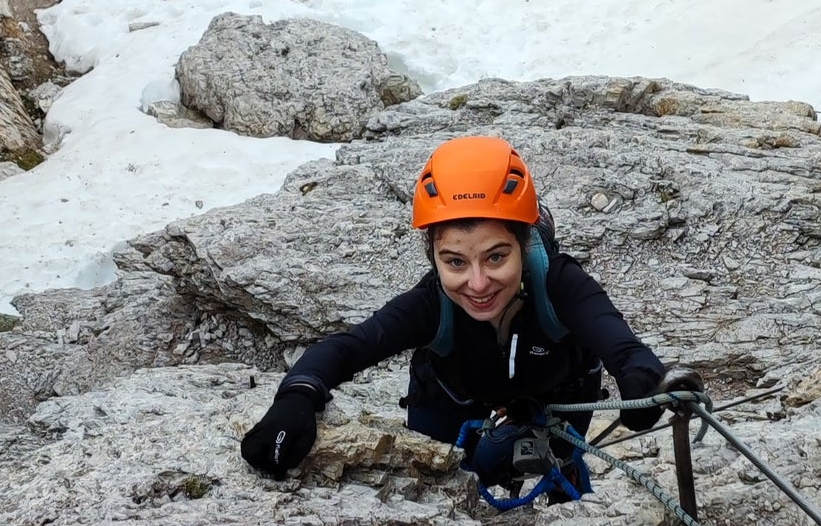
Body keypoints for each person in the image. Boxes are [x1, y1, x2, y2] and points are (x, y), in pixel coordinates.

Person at [241, 134, 695, 479]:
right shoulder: (430, 303)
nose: (478, 284)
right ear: (433, 257)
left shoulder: (558, 284)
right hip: (450, 401)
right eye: (455, 261)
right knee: (445, 479)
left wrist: (643, 381)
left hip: (560, 402)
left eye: (496, 257)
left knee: (560, 482)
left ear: (524, 245)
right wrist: (296, 399)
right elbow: (348, 349)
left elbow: (623, 348)